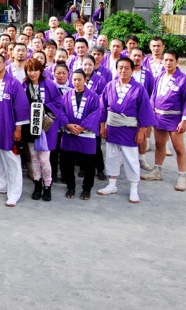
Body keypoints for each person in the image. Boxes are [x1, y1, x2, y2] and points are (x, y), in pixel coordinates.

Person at [97, 57, 156, 204]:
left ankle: (134, 189)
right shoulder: (110, 85)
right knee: (111, 155)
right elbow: (103, 107)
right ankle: (112, 184)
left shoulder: (139, 89)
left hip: (129, 128)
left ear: (132, 70)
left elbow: (144, 111)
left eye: (127, 68)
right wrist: (102, 126)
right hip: (112, 127)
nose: (123, 70)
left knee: (131, 158)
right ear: (116, 69)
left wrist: (142, 131)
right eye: (120, 67)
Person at [142, 50, 186, 191]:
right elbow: (154, 95)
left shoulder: (183, 79)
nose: (168, 63)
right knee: (159, 144)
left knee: (178, 148)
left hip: (175, 118)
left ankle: (182, 176)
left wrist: (184, 121)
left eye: (171, 60)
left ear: (177, 61)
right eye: (166, 60)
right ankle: (157, 171)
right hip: (159, 116)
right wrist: (151, 110)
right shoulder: (160, 76)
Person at [0, 54, 31, 207]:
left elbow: (21, 107)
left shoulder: (13, 83)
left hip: (7, 127)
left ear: (5, 63)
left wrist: (18, 128)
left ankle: (14, 193)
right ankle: (1, 184)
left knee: (11, 159)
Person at [21, 58, 65, 202]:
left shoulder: (49, 84)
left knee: (45, 160)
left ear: (41, 71)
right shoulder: (24, 85)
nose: (32, 73)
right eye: (29, 70)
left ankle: (47, 186)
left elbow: (59, 102)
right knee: (33, 158)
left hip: (46, 126)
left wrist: (43, 108)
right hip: (30, 126)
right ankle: (37, 185)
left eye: (35, 70)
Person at [61, 69, 103, 200]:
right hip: (69, 134)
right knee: (67, 163)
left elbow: (96, 113)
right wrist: (68, 124)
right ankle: (70, 186)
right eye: (74, 79)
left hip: (87, 135)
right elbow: (61, 112)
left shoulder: (93, 96)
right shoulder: (66, 95)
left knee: (89, 164)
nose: (76, 82)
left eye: (79, 79)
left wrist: (82, 126)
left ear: (85, 80)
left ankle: (87, 189)